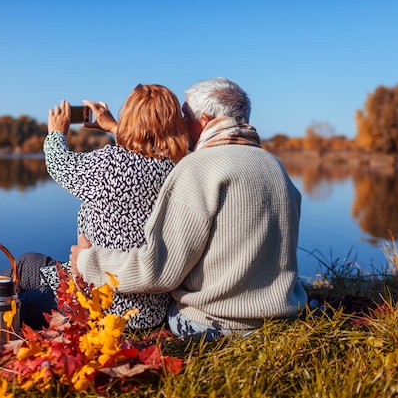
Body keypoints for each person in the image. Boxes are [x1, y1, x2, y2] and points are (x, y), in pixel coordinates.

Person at [0, 84, 189, 330]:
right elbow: (148, 147)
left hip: (100, 309)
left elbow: (59, 165)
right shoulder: (180, 169)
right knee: (27, 262)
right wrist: (112, 127)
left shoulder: (111, 163)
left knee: (15, 307)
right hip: (150, 310)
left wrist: (56, 133)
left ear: (131, 120)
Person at [69, 77, 308, 340]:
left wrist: (86, 261)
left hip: (216, 324)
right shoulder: (274, 167)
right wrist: (119, 127)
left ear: (204, 121)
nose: (178, 124)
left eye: (184, 115)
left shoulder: (198, 168)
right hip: (282, 317)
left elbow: (158, 271)